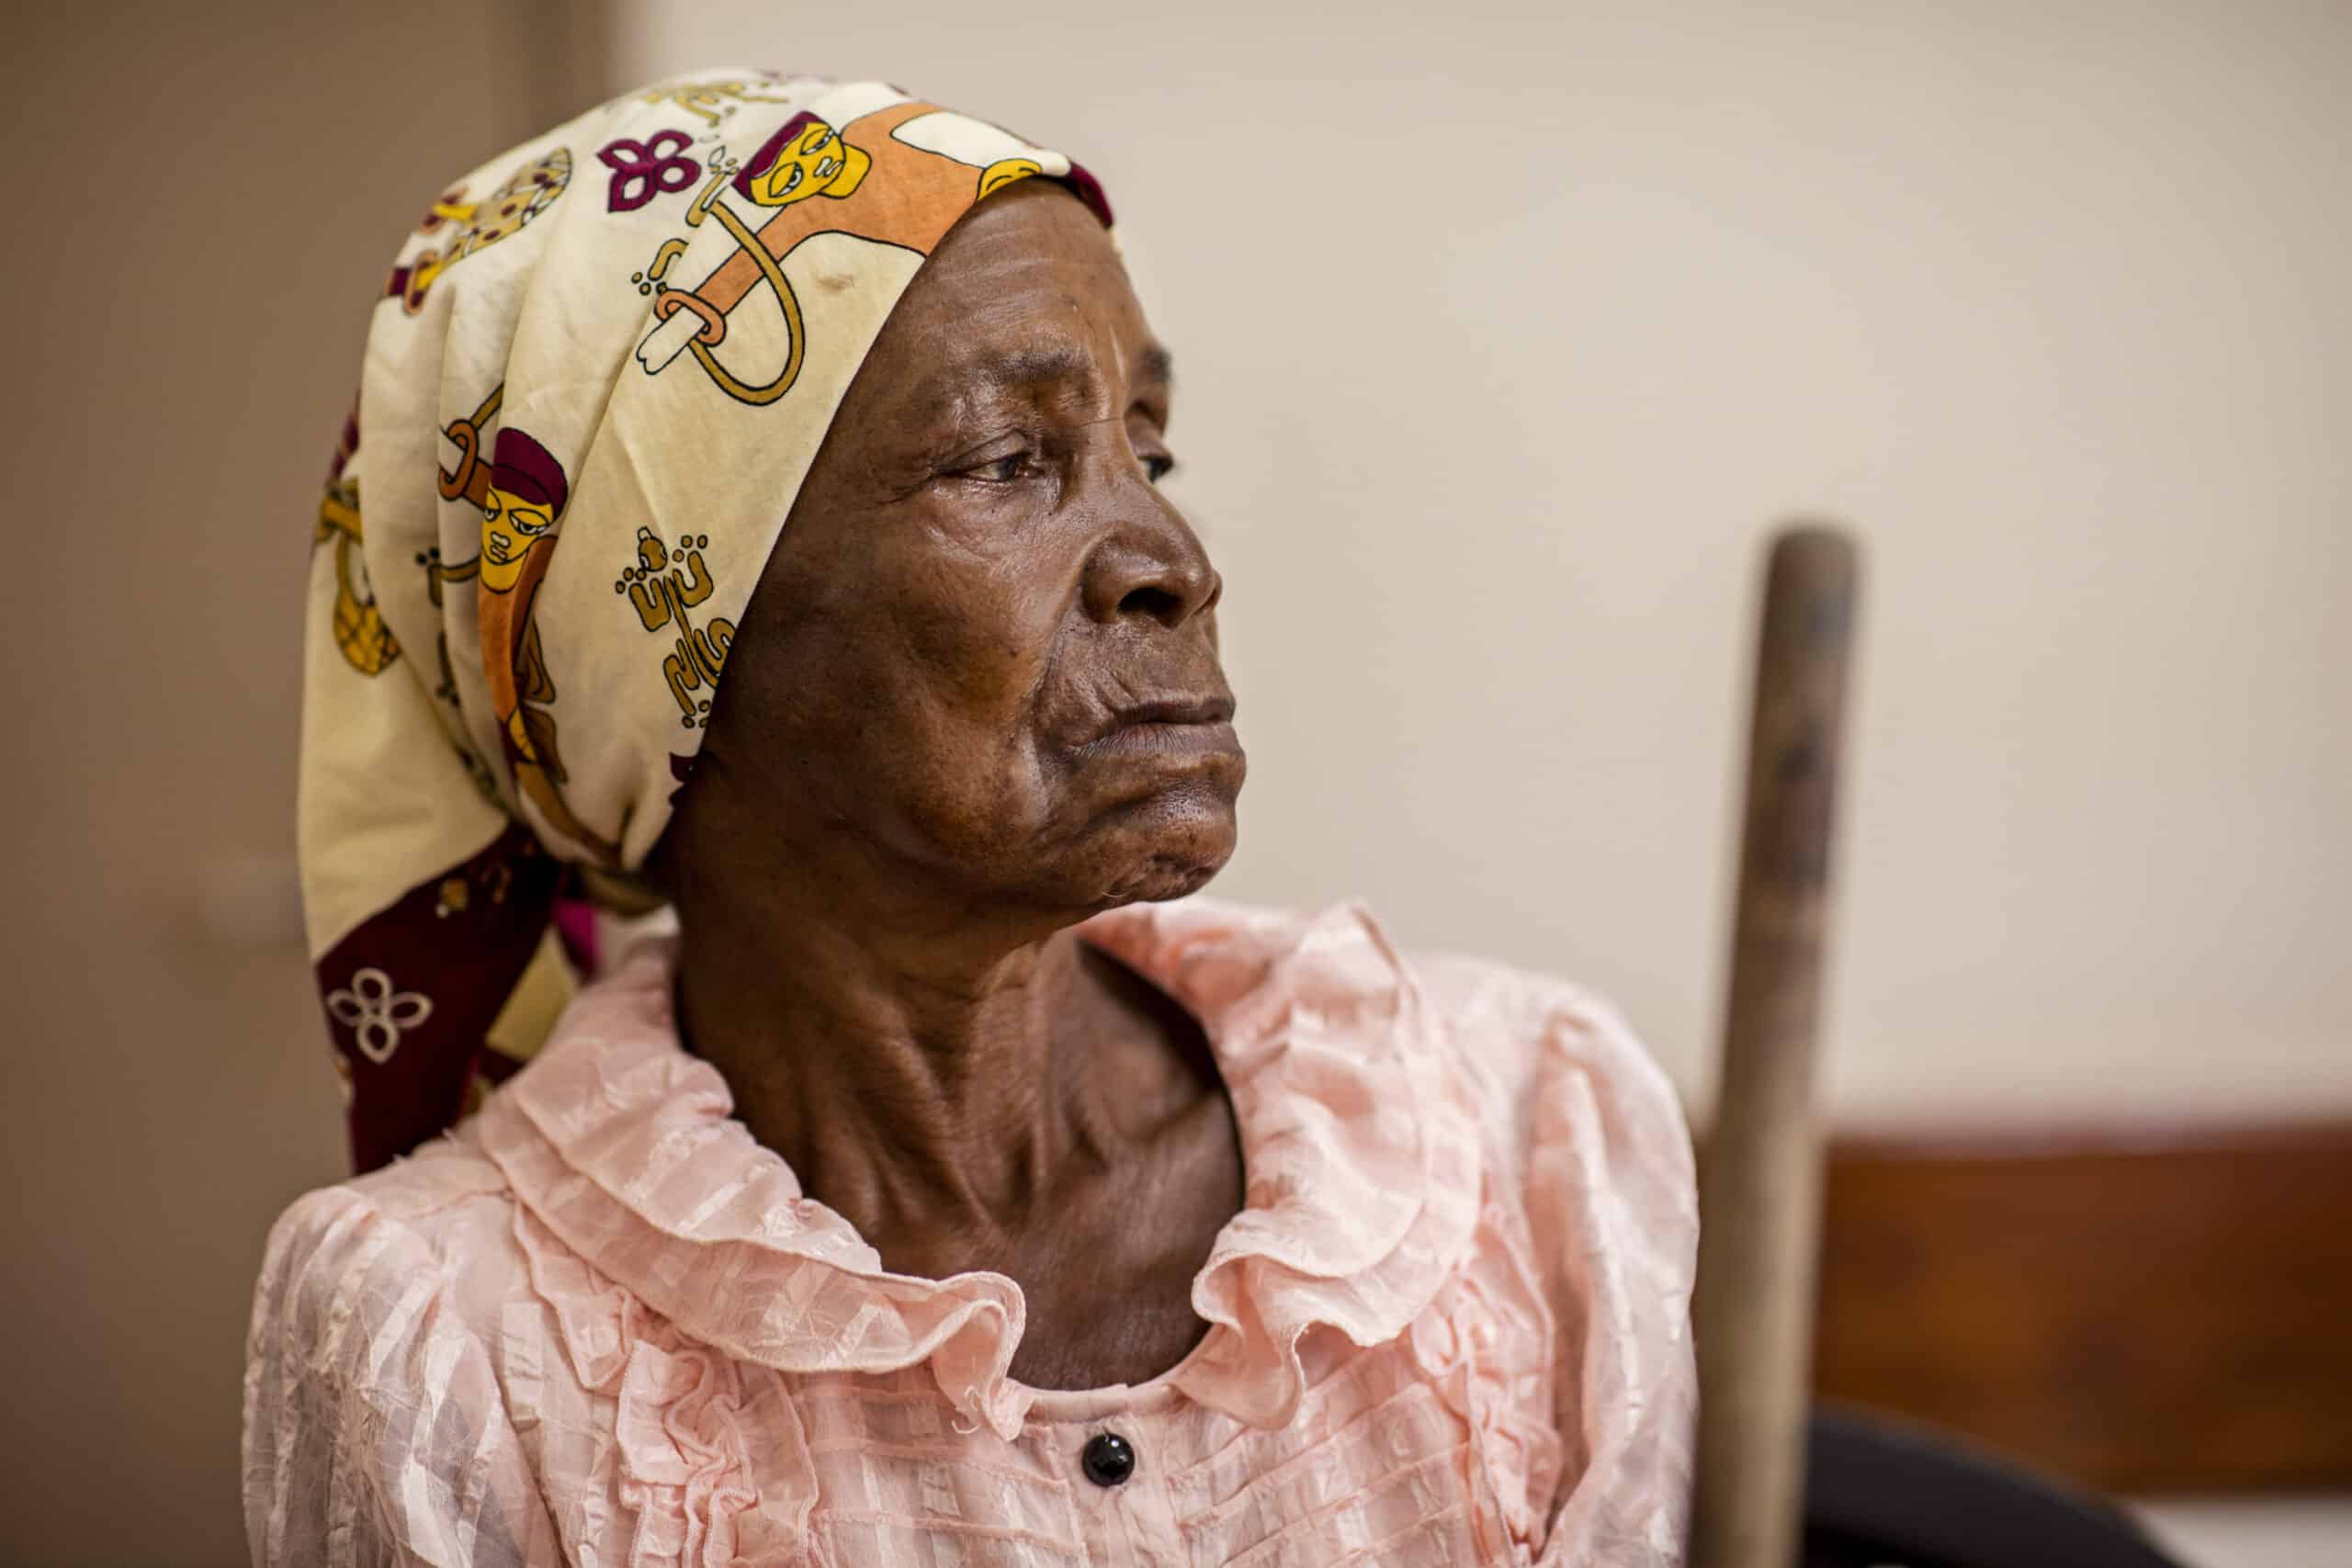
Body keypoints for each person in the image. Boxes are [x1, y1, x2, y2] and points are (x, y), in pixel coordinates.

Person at [248, 70, 1697, 1566]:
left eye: (1152, 448)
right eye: (1009, 463)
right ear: (672, 646)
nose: (1174, 561)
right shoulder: (452, 1334)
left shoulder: (1515, 1135)